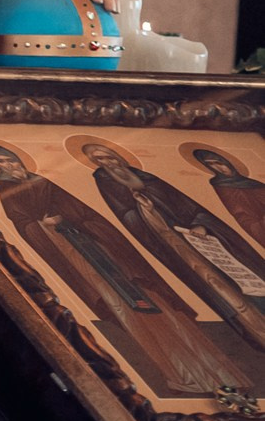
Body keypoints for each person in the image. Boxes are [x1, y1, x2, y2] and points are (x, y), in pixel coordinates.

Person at [0, 140, 247, 398]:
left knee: (162, 307)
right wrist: (45, 226)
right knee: (127, 313)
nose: (10, 165)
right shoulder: (5, 188)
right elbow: (23, 224)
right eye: (1, 162)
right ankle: (181, 377)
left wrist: (82, 225)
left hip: (106, 253)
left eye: (11, 159)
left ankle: (223, 376)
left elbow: (89, 215)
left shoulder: (43, 181)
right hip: (78, 259)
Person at [78, 139, 265, 360]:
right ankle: (256, 331)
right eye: (98, 160)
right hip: (173, 246)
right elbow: (126, 215)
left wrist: (200, 224)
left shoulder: (150, 179)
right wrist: (143, 210)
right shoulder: (107, 183)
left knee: (245, 279)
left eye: (109, 156)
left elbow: (190, 207)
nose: (108, 163)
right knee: (218, 287)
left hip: (204, 241)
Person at [192, 146, 265, 252]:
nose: (218, 168)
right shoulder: (219, 186)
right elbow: (215, 209)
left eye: (219, 163)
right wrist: (201, 224)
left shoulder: (255, 184)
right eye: (210, 164)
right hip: (251, 229)